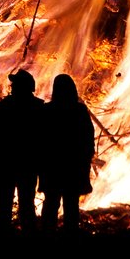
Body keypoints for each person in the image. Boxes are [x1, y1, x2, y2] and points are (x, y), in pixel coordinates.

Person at [0, 69, 45, 232]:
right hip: (28, 163)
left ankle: (6, 232)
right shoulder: (38, 107)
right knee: (26, 202)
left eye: (15, 84)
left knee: (6, 203)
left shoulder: (7, 105)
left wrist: (5, 143)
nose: (12, 87)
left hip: (10, 162)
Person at [39, 73, 95, 234]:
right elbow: (88, 138)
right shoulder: (79, 111)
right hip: (73, 168)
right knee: (71, 206)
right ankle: (70, 237)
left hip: (53, 168)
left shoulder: (47, 111)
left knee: (51, 204)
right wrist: (85, 159)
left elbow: (40, 140)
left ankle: (47, 235)